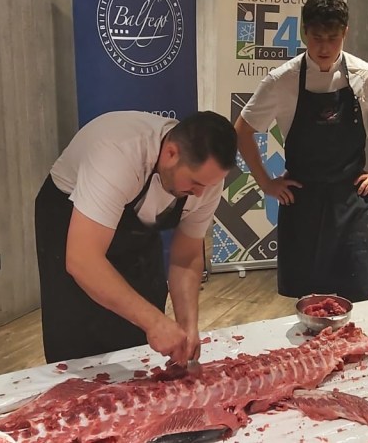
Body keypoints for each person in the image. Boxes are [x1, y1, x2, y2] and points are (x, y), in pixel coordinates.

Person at [233, 0, 368, 303]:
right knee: (307, 299)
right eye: (316, 38)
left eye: (332, 38)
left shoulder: (365, 75)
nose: (324, 47)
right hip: (302, 202)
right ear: (304, 32)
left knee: (356, 294)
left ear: (345, 33)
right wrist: (266, 182)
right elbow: (242, 130)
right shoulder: (281, 80)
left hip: (350, 200)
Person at [35, 110, 236, 364]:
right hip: (71, 217)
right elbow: (83, 260)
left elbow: (185, 258)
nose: (200, 194)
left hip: (134, 228)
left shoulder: (205, 181)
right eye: (195, 183)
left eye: (209, 185)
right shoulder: (118, 154)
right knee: (76, 335)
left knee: (141, 323)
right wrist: (154, 322)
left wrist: (188, 326)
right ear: (171, 153)